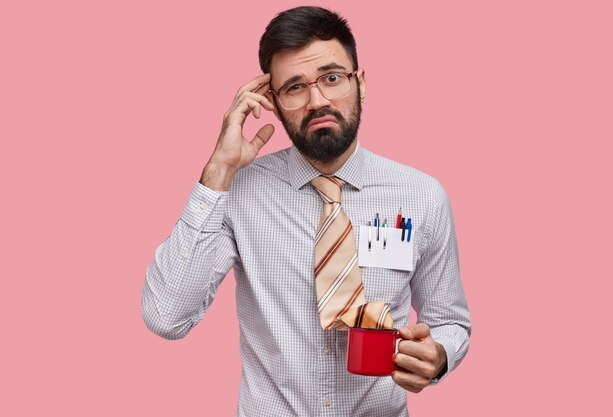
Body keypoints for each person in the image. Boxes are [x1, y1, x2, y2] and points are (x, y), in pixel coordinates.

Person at [142, 6, 470, 416]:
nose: (318, 101)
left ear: (360, 83)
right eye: (294, 87)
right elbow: (166, 316)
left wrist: (438, 355)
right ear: (273, 103)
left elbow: (450, 320)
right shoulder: (238, 191)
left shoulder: (423, 195)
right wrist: (218, 171)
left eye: (332, 78)